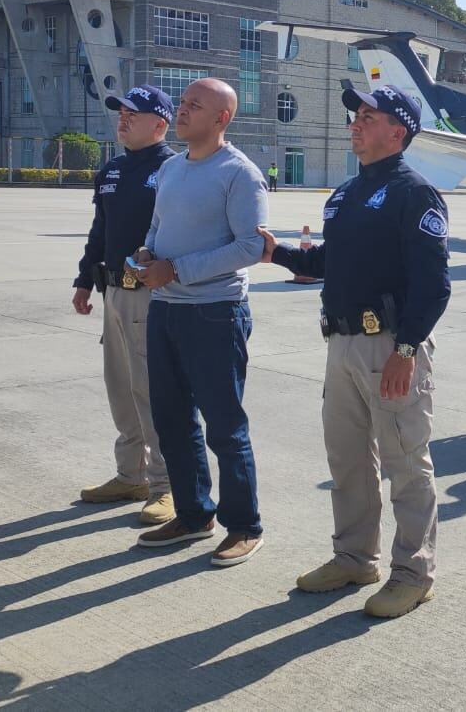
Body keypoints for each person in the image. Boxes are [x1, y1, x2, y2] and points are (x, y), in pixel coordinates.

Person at [259, 83, 450, 618]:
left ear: (400, 130)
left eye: (370, 115)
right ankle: (354, 557)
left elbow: (434, 285)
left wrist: (406, 348)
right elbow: (331, 263)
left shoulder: (415, 192)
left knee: (406, 463)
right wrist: (280, 253)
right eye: (356, 115)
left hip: (391, 344)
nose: (357, 123)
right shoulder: (345, 194)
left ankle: (413, 573)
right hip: (341, 343)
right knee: (347, 460)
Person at [130, 78, 269, 569]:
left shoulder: (240, 174)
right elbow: (157, 226)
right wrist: (147, 253)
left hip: (215, 311)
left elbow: (250, 246)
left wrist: (180, 270)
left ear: (221, 118)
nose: (183, 110)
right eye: (183, 101)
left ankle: (244, 525)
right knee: (171, 419)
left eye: (195, 105)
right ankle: (193, 514)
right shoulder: (171, 167)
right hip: (166, 307)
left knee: (225, 427)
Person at [71, 85, 179, 525]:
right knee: (121, 388)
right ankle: (130, 473)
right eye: (120, 113)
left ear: (160, 123)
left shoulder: (175, 169)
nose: (123, 119)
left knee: (152, 390)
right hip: (113, 290)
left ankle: (167, 484)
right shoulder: (112, 170)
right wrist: (84, 278)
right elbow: (101, 230)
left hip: (152, 294)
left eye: (132, 114)